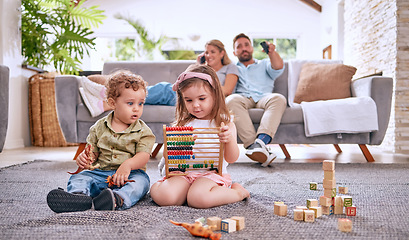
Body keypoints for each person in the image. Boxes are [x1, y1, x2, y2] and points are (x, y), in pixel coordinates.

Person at [47, 71, 155, 213]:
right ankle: (78, 196)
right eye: (130, 103)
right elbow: (93, 154)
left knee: (141, 184)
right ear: (112, 103)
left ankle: (117, 199)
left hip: (131, 175)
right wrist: (86, 159)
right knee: (80, 177)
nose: (136, 108)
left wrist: (127, 165)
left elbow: (144, 155)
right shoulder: (98, 127)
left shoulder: (143, 131)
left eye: (140, 103)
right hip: (101, 173)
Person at [149, 64, 250, 209]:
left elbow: (231, 158)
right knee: (165, 197)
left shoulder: (224, 124)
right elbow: (168, 157)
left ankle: (238, 193)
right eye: (189, 100)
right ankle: (178, 190)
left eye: (202, 99)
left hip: (210, 175)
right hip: (184, 173)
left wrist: (229, 140)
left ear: (215, 95)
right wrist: (179, 145)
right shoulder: (182, 123)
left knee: (197, 199)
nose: (195, 105)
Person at [80, 39, 239, 117]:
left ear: (222, 53)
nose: (208, 55)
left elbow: (226, 90)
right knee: (161, 89)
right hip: (186, 94)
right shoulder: (203, 68)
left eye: (212, 51)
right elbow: (187, 83)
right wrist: (198, 66)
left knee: (163, 89)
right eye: (206, 52)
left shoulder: (230, 68)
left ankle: (108, 100)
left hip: (200, 98)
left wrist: (203, 82)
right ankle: (108, 95)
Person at [226, 33, 287, 167]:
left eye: (247, 45)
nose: (244, 48)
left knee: (279, 98)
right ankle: (255, 146)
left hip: (264, 97)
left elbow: (278, 66)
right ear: (234, 52)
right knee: (230, 100)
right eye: (239, 46)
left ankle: (260, 142)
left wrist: (271, 52)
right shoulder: (232, 68)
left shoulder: (265, 63)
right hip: (243, 98)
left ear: (252, 48)